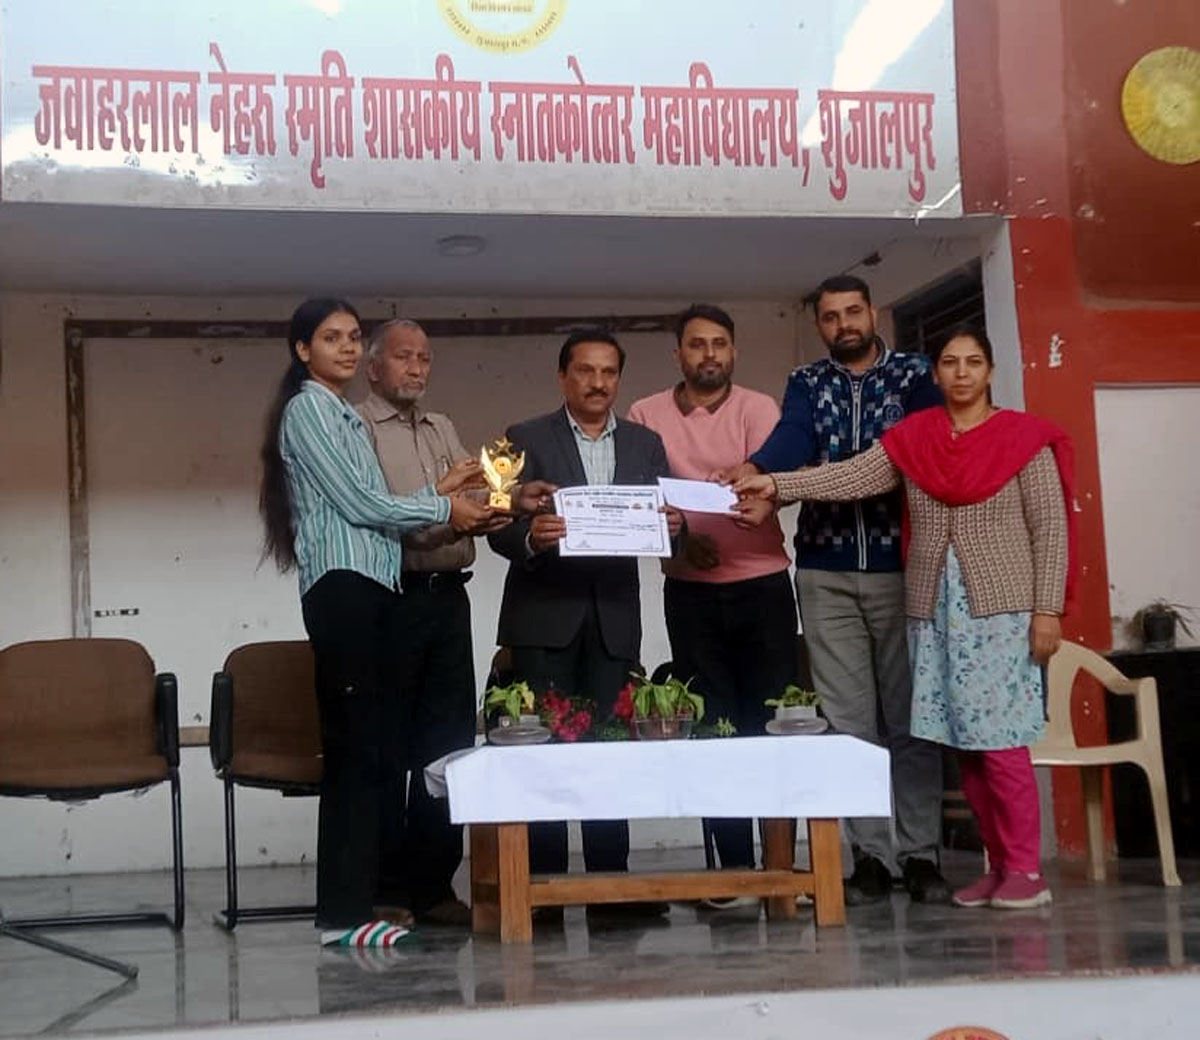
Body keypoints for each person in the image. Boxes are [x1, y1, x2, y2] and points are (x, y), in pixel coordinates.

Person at [735, 323, 1074, 910]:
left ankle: (1025, 870)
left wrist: (1048, 610)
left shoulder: (1024, 440)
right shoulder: (917, 438)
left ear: (990, 371)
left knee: (1001, 745)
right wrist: (774, 482)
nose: (962, 373)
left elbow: (1050, 531)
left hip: (1001, 613)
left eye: (973, 362)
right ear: (934, 373)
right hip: (932, 613)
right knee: (962, 746)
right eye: (950, 362)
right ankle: (998, 868)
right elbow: (849, 476)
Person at [259, 298, 498, 946]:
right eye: (330, 338)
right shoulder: (310, 408)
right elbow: (363, 503)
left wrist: (446, 496)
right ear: (302, 350)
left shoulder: (335, 411)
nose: (344, 346)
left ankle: (354, 910)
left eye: (351, 336)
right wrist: (443, 508)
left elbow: (378, 505)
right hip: (345, 587)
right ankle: (344, 913)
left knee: (369, 753)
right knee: (357, 756)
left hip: (371, 587)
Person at [730, 274, 950, 905]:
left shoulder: (915, 377)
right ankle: (871, 859)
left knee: (911, 722)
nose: (843, 324)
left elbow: (898, 463)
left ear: (872, 312)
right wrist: (758, 467)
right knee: (849, 726)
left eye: (853, 312)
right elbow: (793, 438)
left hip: (902, 568)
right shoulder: (807, 381)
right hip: (824, 570)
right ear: (819, 324)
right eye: (830, 316)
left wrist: (780, 485)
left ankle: (921, 855)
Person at [488, 328, 681, 919]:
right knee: (542, 755)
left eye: (608, 372)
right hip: (542, 620)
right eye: (585, 371)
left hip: (614, 620)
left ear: (619, 379)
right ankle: (542, 890)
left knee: (611, 752)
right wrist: (530, 536)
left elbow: (668, 525)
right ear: (562, 377)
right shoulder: (522, 437)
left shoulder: (647, 443)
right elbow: (494, 523)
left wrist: (676, 527)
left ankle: (609, 888)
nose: (598, 383)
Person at [627, 304, 797, 904]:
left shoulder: (759, 408)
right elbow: (637, 498)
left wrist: (767, 500)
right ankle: (732, 872)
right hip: (690, 591)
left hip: (764, 585)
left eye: (719, 343)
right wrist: (678, 544)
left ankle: (780, 868)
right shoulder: (645, 414)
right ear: (678, 353)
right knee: (712, 726)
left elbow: (779, 483)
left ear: (734, 351)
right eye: (697, 344)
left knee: (771, 724)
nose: (709, 354)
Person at [357, 319, 503, 928]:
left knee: (447, 747)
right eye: (403, 357)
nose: (416, 368)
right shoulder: (356, 427)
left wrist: (499, 506)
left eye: (424, 358)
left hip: (448, 598)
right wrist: (449, 512)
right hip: (391, 598)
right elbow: (387, 518)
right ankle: (386, 888)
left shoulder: (441, 425)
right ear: (373, 368)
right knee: (389, 748)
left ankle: (435, 885)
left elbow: (466, 499)